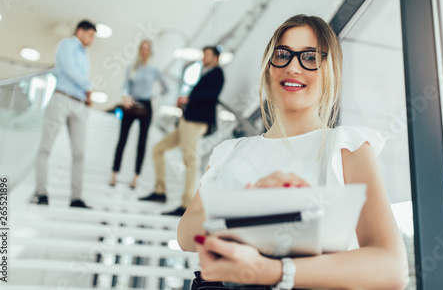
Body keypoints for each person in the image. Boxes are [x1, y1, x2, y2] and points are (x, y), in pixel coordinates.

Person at [177, 15, 408, 289]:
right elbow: (185, 234)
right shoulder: (229, 151)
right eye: (283, 54)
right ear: (268, 68)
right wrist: (250, 204)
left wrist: (273, 271)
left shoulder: (347, 145)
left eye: (309, 57)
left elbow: (391, 268)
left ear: (329, 68)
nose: (293, 67)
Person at [139, 46, 225, 217]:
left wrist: (189, 98)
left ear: (216, 58)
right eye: (203, 55)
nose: (203, 58)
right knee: (158, 149)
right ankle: (160, 191)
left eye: (207, 55)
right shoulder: (206, 72)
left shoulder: (217, 73)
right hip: (186, 121)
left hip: (196, 122)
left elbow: (211, 96)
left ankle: (187, 205)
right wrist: (186, 103)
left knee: (190, 160)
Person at [34, 20, 96, 208]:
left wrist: (86, 96)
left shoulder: (86, 56)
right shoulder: (67, 45)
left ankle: (76, 197)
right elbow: (69, 70)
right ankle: (41, 192)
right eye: (90, 35)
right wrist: (89, 87)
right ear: (80, 31)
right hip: (61, 98)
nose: (92, 40)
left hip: (79, 104)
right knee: (46, 147)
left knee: (80, 153)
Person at [110, 39, 168, 189]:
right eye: (142, 48)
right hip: (131, 104)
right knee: (122, 139)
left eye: (147, 49)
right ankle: (114, 174)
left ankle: (136, 177)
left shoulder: (154, 70)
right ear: (139, 50)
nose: (144, 51)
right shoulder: (131, 68)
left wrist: (154, 96)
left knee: (142, 142)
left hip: (146, 106)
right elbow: (125, 86)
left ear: (150, 52)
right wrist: (125, 97)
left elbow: (165, 88)